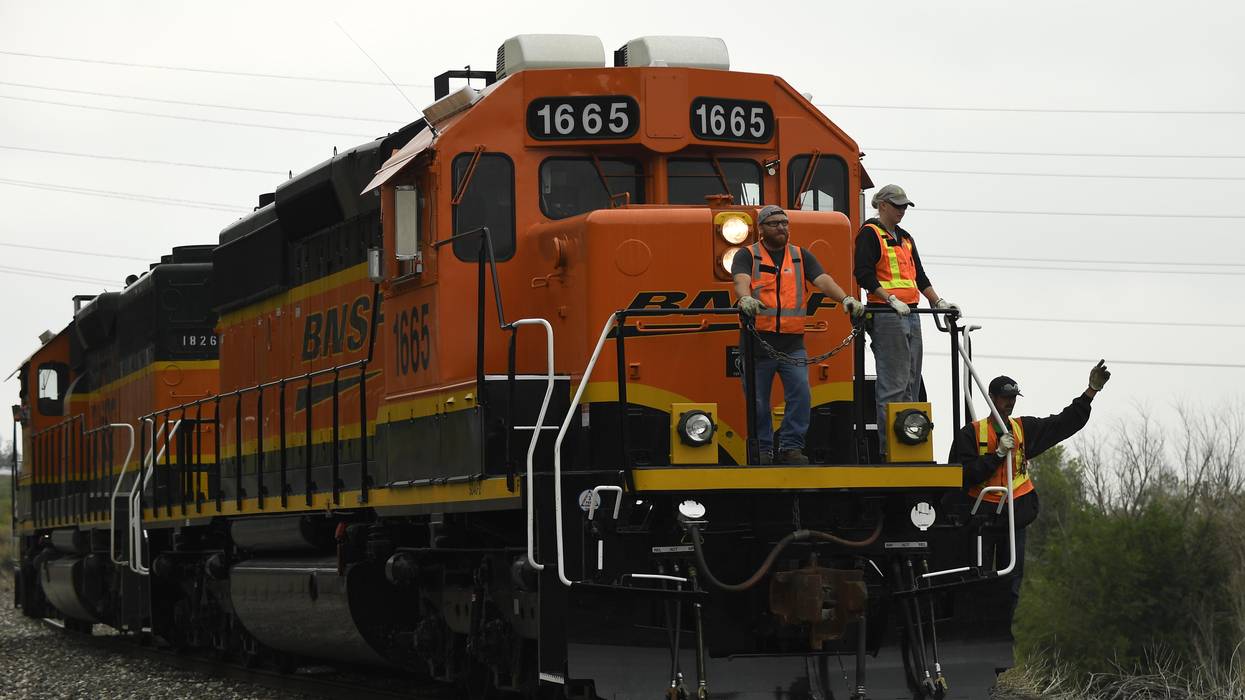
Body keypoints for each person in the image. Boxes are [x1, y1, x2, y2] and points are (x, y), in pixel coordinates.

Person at [949, 361, 1112, 619]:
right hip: (980, 517)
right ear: (992, 399)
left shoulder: (1023, 429)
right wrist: (998, 454)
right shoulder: (970, 434)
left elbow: (1061, 424)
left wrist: (1090, 392)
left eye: (1013, 398)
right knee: (976, 578)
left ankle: (1002, 635)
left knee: (1011, 582)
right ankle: (974, 630)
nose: (1010, 403)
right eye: (1005, 398)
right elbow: (961, 476)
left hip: (1015, 514)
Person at [733, 204, 865, 465]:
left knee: (801, 394)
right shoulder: (747, 255)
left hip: (792, 344)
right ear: (761, 229)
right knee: (758, 403)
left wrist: (846, 298)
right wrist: (744, 298)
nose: (781, 227)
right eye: (774, 223)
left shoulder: (801, 256)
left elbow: (823, 280)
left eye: (785, 223)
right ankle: (763, 450)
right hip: (757, 343)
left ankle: (791, 448)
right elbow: (741, 280)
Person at [854, 184, 958, 460]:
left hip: (910, 313)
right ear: (883, 205)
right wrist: (889, 299)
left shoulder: (906, 238)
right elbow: (863, 274)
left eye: (904, 206)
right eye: (897, 205)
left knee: (911, 380)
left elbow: (919, 276)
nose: (902, 211)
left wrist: (938, 302)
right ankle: (892, 451)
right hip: (887, 314)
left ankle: (910, 442)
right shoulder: (869, 234)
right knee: (894, 384)